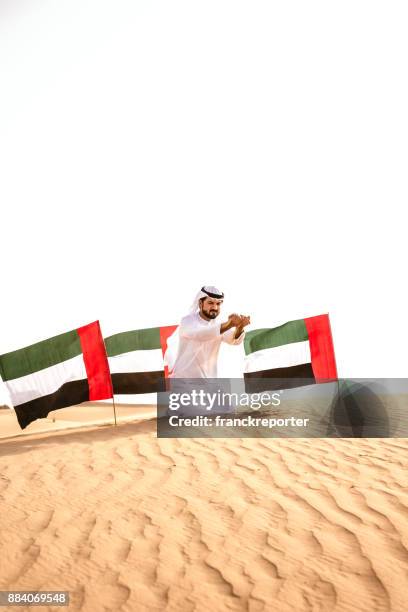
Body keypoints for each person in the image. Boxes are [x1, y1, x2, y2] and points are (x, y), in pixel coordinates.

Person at [168, 286, 251, 379]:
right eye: (210, 303)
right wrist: (229, 324)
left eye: (218, 304)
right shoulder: (187, 321)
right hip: (183, 382)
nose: (215, 307)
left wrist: (240, 327)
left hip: (208, 384)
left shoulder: (219, 324)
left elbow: (234, 340)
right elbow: (201, 334)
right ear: (200, 303)